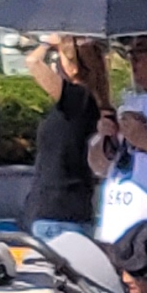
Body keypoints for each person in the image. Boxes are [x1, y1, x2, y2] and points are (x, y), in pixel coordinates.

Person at [20, 35, 107, 235]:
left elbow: (33, 63)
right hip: (69, 208)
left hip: (56, 212)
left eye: (58, 59)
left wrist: (49, 44)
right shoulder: (89, 102)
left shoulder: (77, 98)